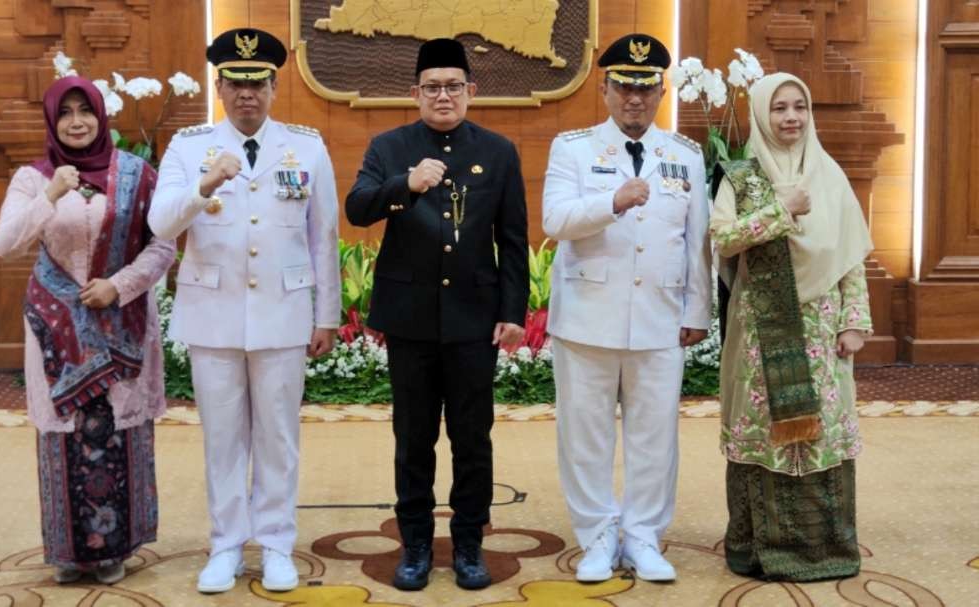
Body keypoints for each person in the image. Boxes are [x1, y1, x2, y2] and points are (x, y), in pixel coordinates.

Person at [148, 28, 340, 594]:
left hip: (282, 313)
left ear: (275, 86)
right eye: (236, 83)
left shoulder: (305, 146)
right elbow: (161, 225)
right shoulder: (189, 146)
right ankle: (227, 545)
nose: (246, 94)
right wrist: (204, 182)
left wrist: (324, 314)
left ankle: (277, 543)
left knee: (279, 436)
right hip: (213, 315)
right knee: (223, 437)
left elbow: (322, 234)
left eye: (257, 83)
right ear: (219, 85)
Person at [345, 38, 529, 591]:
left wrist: (512, 311)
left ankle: (470, 543)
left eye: (453, 86)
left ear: (471, 91)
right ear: (415, 93)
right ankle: (417, 544)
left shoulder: (498, 151)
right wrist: (405, 185)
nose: (442, 96)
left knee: (474, 437)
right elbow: (357, 209)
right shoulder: (389, 146)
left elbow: (513, 240)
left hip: (474, 319)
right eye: (432, 87)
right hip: (410, 320)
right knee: (414, 437)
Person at [0, 76, 174, 586]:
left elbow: (162, 247)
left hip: (121, 323)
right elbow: (4, 243)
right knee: (65, 436)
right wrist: (50, 193)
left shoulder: (138, 173)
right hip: (59, 332)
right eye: (65, 112)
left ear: (100, 115)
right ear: (52, 120)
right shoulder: (33, 178)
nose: (76, 121)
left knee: (119, 430)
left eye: (85, 110)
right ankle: (70, 552)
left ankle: (115, 549)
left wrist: (118, 286)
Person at [542, 33, 712, 583]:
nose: (633, 99)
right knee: (585, 435)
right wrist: (611, 202)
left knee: (654, 437)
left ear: (661, 91)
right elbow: (556, 221)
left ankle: (642, 536)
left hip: (661, 319)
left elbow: (698, 241)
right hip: (588, 318)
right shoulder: (573, 148)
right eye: (623, 87)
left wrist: (697, 312)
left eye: (645, 88)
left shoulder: (684, 155)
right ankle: (595, 537)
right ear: (604, 88)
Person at [710, 72, 872, 582]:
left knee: (821, 430)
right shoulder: (740, 176)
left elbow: (852, 259)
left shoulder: (830, 175)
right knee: (766, 434)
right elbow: (724, 239)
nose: (790, 118)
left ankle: (825, 547)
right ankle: (757, 548)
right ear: (761, 113)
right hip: (760, 329)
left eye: (798, 107)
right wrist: (781, 211)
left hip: (823, 331)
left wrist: (855, 322)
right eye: (778, 108)